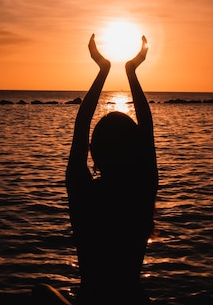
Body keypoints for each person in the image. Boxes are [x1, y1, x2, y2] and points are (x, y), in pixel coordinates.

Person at [66, 34, 158, 304]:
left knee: (41, 293)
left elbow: (80, 126)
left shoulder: (82, 191)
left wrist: (103, 70)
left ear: (94, 152)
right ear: (136, 150)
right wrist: (132, 71)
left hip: (91, 300)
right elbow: (148, 131)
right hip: (132, 299)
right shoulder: (141, 191)